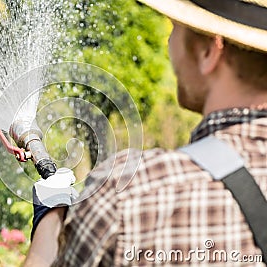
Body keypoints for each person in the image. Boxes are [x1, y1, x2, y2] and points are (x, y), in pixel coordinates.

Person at [24, 0, 267, 266]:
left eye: (176, 28)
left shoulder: (131, 195)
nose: (169, 43)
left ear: (209, 51)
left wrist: (49, 216)